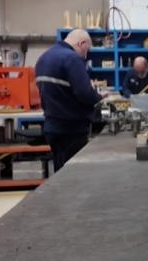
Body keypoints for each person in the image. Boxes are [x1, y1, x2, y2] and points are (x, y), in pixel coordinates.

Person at [35, 28, 104, 171]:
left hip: (52, 127)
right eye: (86, 50)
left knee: (60, 171)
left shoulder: (44, 57)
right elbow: (85, 93)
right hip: (72, 129)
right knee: (74, 174)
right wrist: (99, 97)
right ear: (81, 43)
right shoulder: (71, 58)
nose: (85, 56)